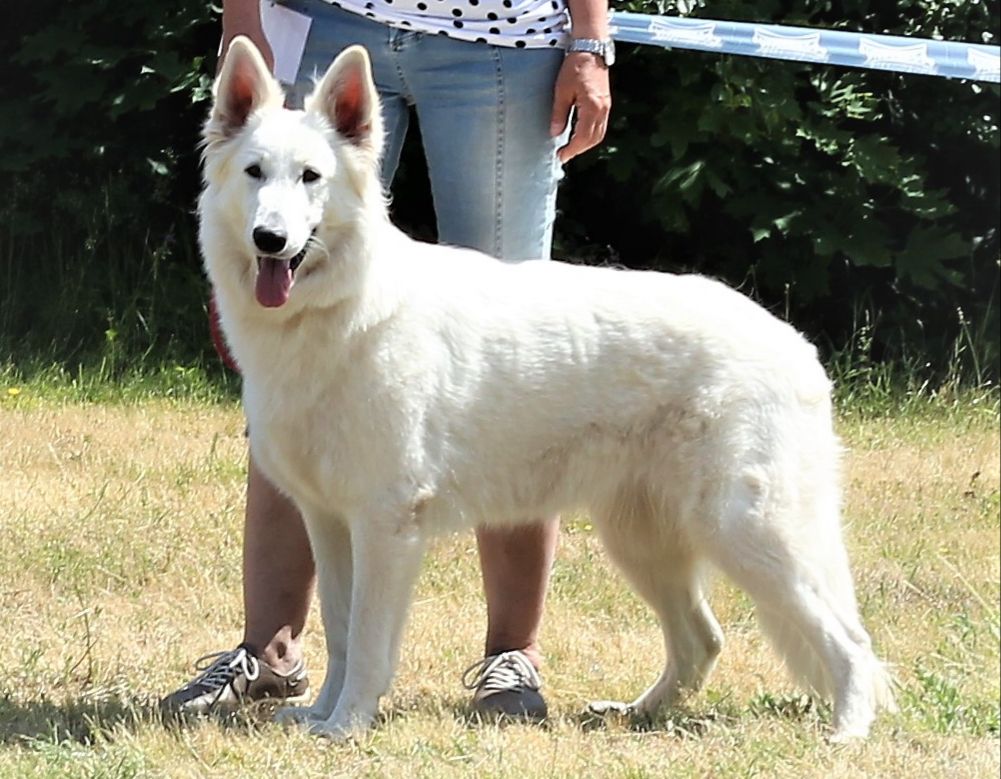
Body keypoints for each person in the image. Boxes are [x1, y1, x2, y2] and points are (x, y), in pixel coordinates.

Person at [160, 0, 612, 721]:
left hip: (500, 39)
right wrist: (242, 21)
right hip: (328, 17)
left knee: (517, 362)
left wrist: (588, 41)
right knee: (292, 382)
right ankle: (269, 650)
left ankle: (509, 658)